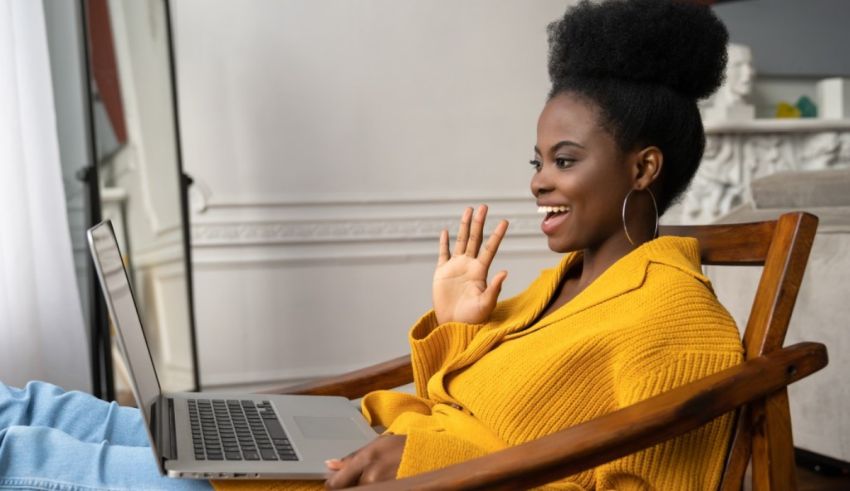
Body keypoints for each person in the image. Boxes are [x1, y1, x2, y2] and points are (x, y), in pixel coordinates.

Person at [0, 0, 742, 489]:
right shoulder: (559, 287)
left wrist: (425, 460)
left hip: (374, 475)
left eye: (565, 160)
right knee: (39, 409)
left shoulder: (679, 320)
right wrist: (457, 323)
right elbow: (455, 403)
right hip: (363, 446)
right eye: (537, 161)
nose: (540, 183)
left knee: (30, 459)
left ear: (643, 166)